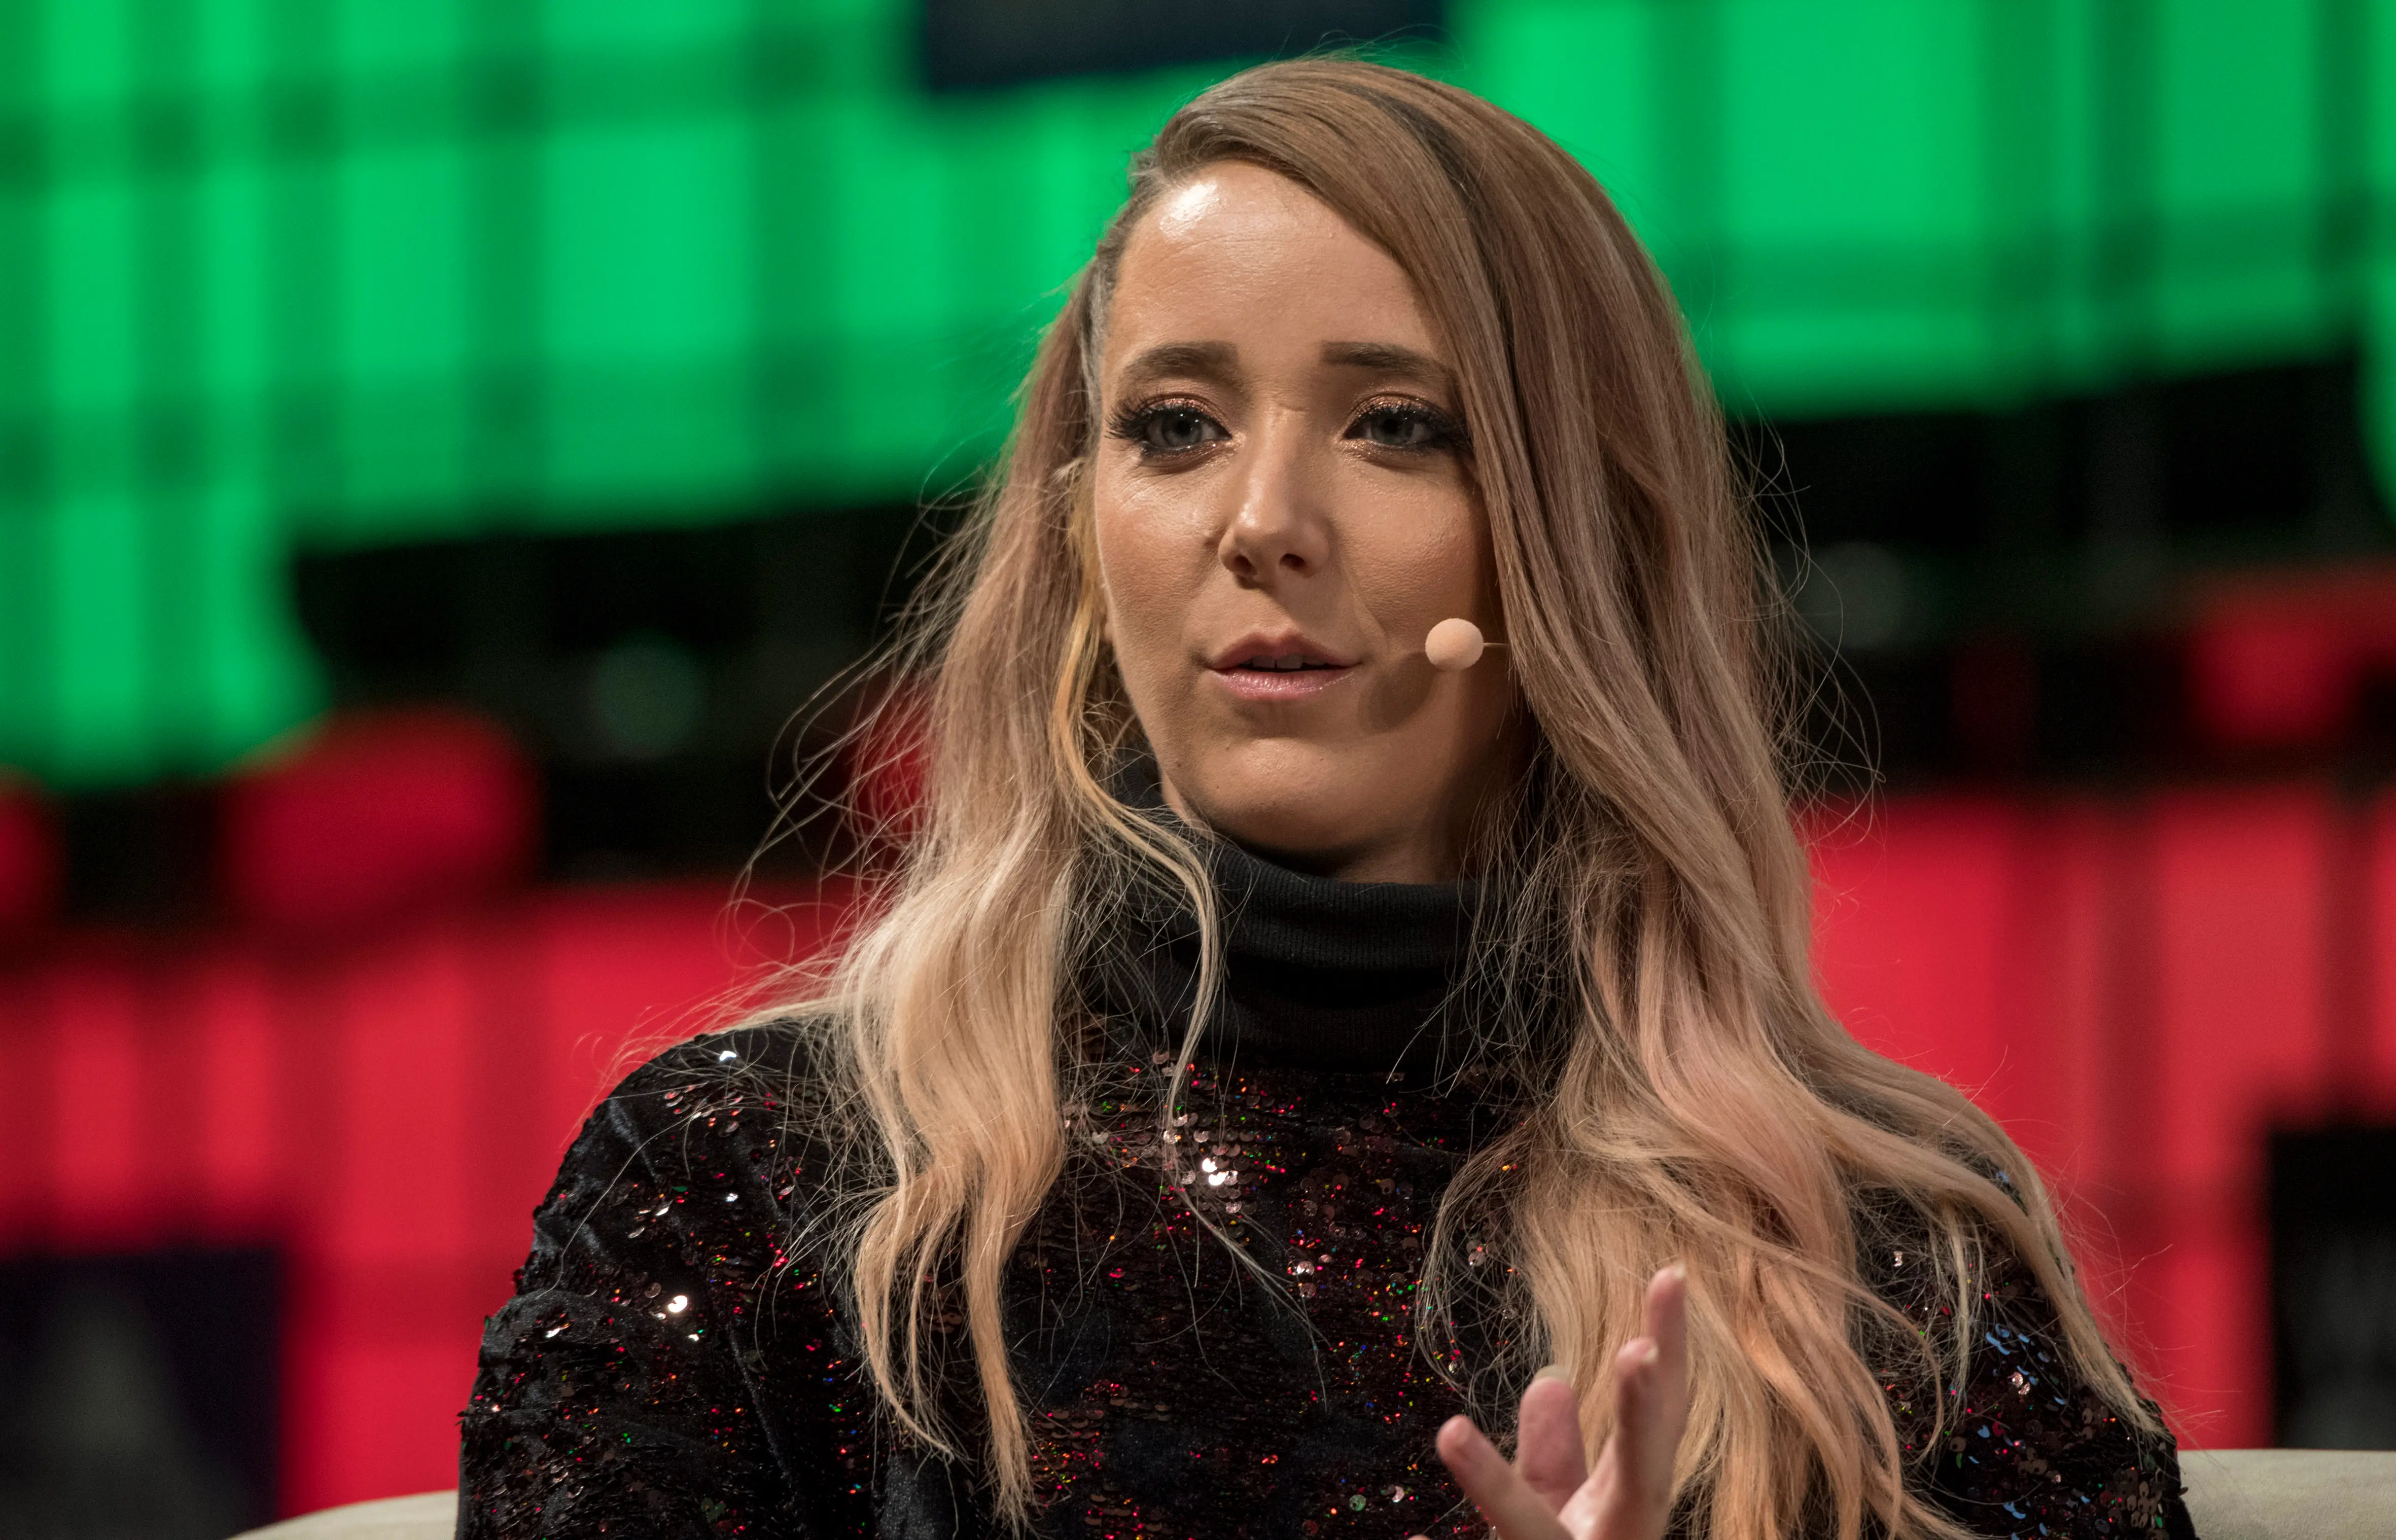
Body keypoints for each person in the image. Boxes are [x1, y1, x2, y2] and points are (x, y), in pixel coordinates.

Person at [457, 60, 2196, 1540]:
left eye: (1393, 425)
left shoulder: (1886, 1259)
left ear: (1573, 548)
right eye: (1174, 424)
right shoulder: (756, 1183)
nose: (1260, 517)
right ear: (1078, 540)